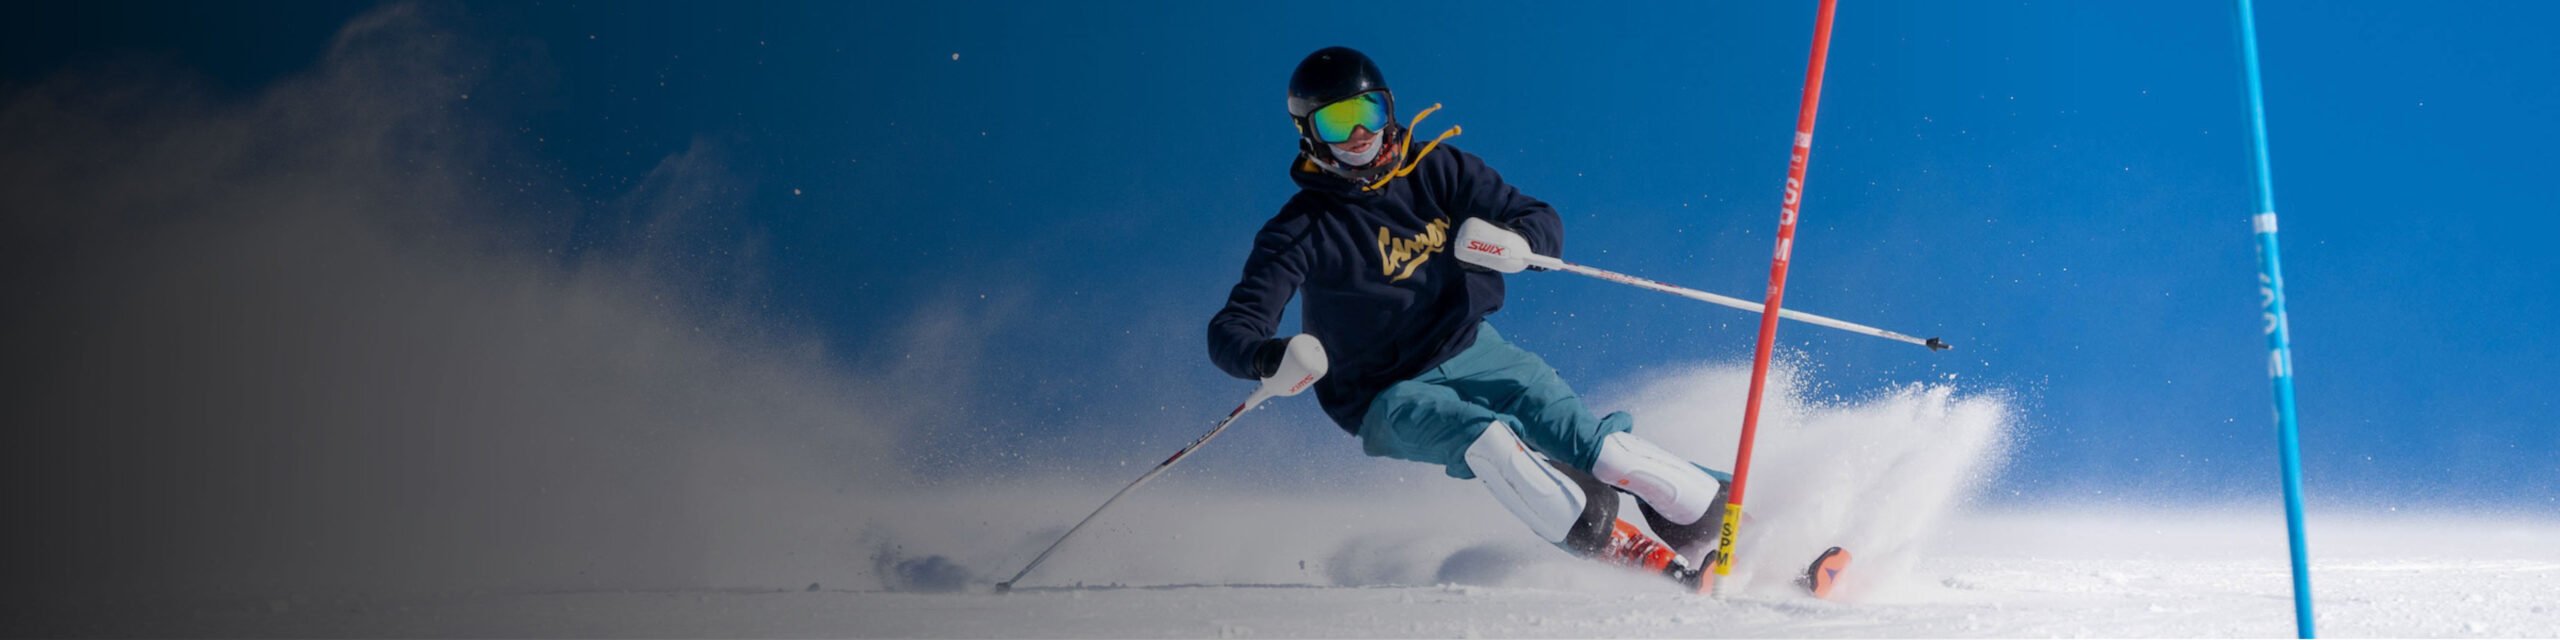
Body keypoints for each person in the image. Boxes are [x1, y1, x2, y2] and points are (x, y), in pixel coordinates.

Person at [1206, 46, 1737, 582]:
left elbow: (1536, 218)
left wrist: (1519, 242)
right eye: (1337, 121)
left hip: (1471, 348)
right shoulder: (1301, 229)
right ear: (1309, 133)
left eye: (1368, 111)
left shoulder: (1435, 168)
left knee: (1599, 447)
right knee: (1489, 442)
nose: (1360, 133)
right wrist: (1268, 357)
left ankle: (1734, 531)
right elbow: (1233, 329)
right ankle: (1632, 555)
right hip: (1381, 393)